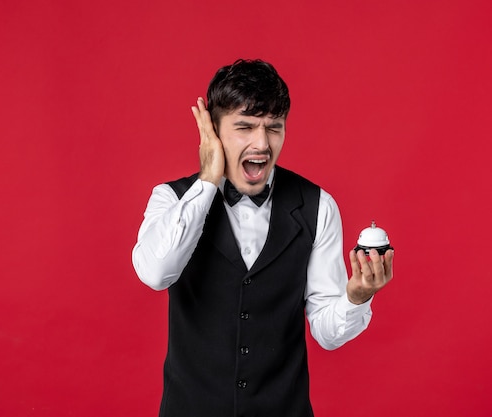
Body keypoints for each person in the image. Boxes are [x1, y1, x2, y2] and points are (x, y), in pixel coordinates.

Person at [132, 59, 394, 417]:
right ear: (211, 130)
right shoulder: (171, 199)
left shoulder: (318, 206)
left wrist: (357, 297)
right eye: (245, 127)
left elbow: (327, 333)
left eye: (274, 128)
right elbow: (155, 273)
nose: (262, 143)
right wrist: (208, 180)